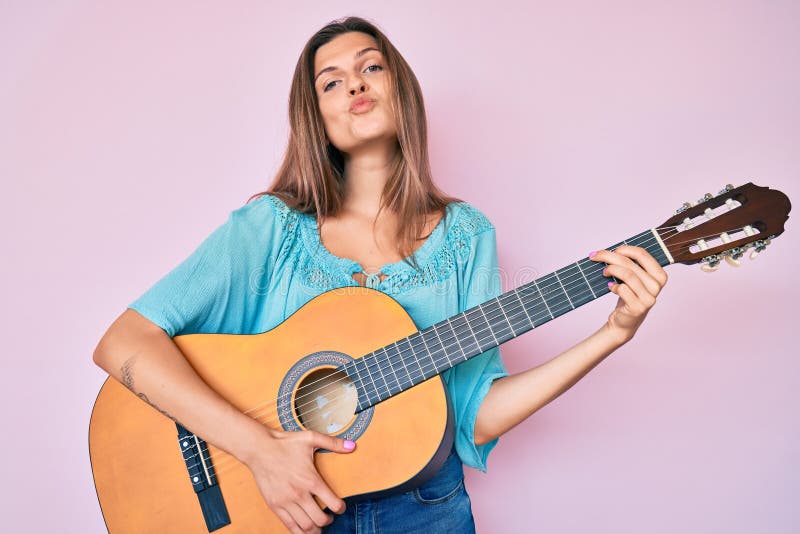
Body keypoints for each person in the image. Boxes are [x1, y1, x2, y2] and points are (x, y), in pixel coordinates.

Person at [93, 16, 668, 534]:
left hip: (425, 512)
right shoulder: (271, 228)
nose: (356, 84)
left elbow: (478, 416)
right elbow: (124, 342)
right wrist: (260, 450)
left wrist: (612, 334)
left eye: (371, 66)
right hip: (282, 511)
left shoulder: (467, 234)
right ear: (316, 116)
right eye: (332, 81)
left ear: (401, 92)